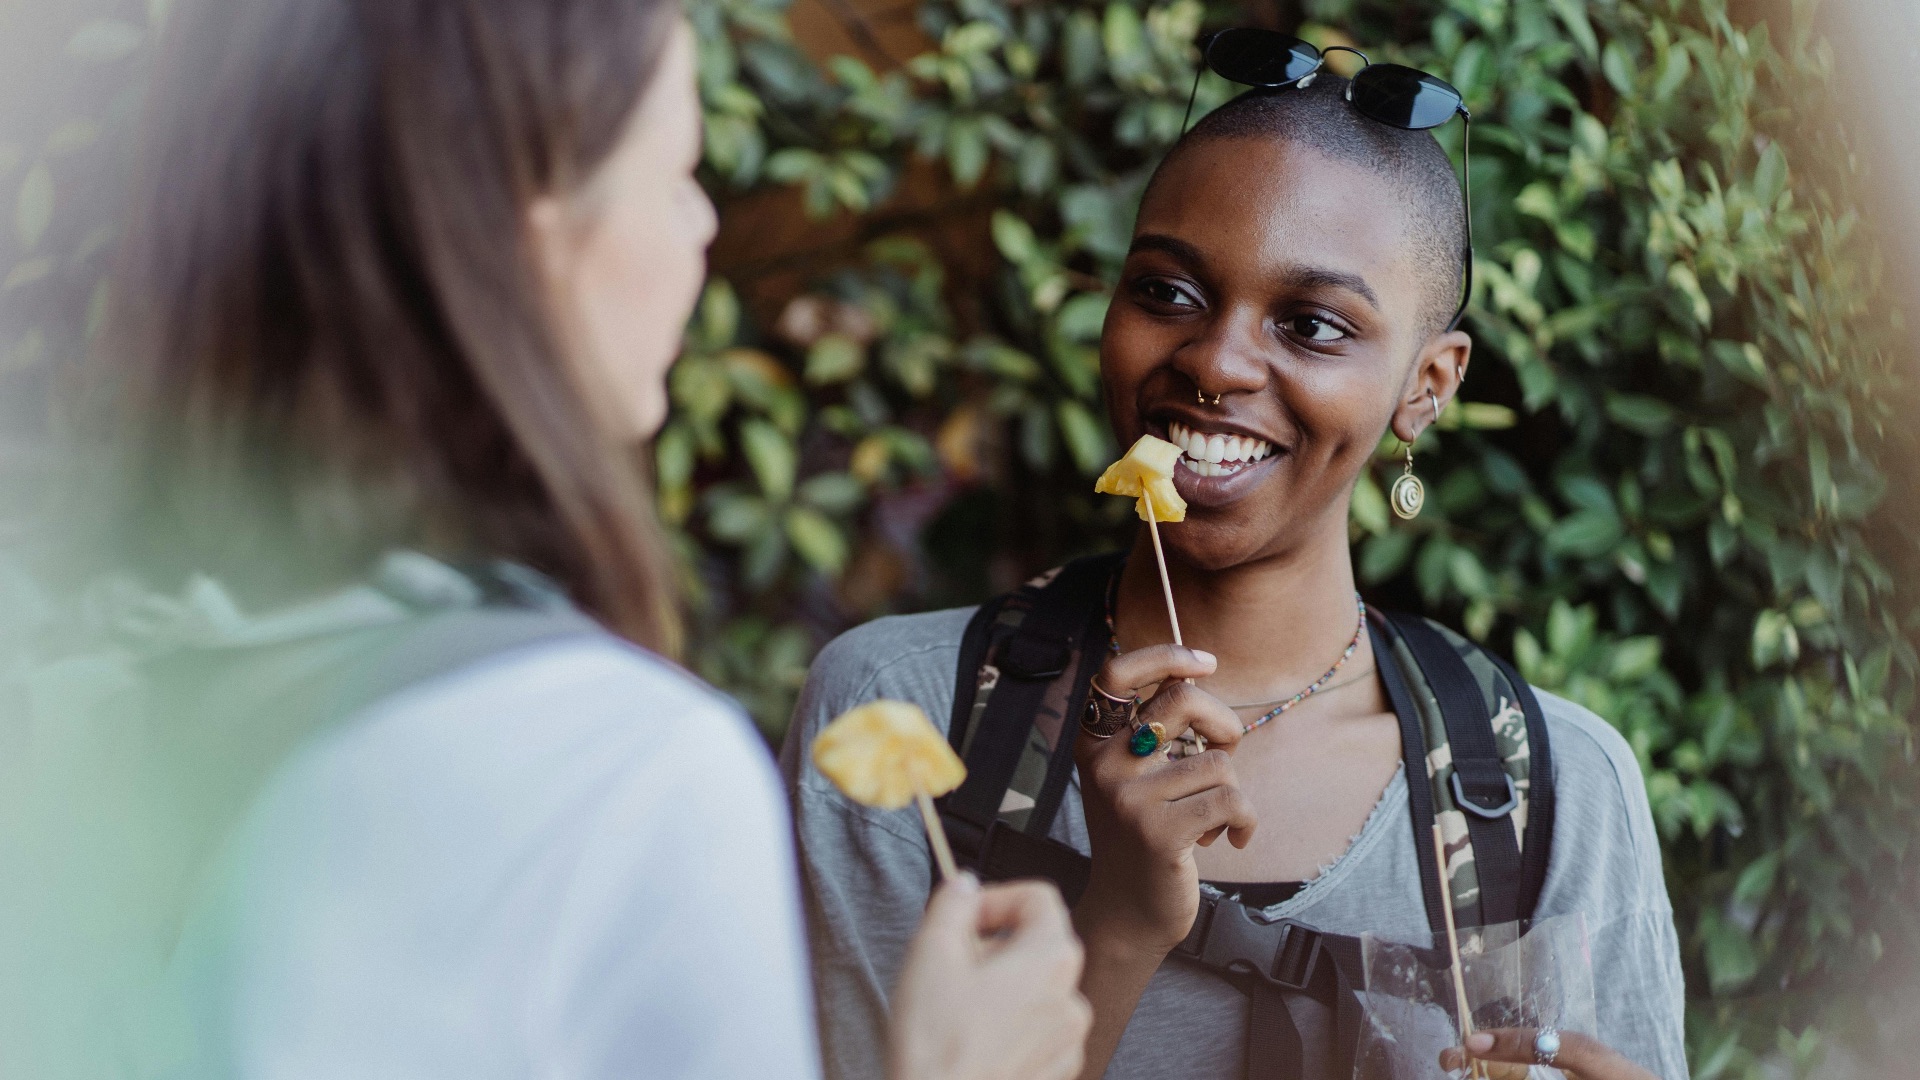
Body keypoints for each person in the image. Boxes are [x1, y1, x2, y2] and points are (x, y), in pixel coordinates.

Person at [0, 1, 1091, 1078]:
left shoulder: (80, 694)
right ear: (531, 231)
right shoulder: (619, 772)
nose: (705, 227)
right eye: (675, 176)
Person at [782, 72, 1686, 1080]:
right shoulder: (904, 725)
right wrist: (1121, 925)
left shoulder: (1548, 793)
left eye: (1313, 324)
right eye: (1168, 293)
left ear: (1427, 387)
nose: (1216, 362)